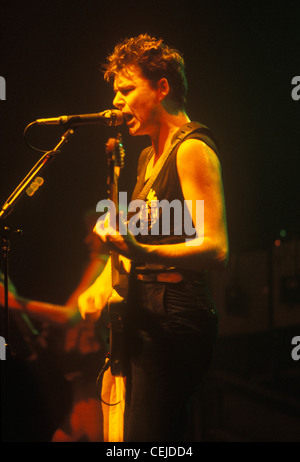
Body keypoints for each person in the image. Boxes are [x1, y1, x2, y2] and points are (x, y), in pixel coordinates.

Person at [78, 34, 229, 442]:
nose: (117, 101)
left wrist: (139, 250)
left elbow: (216, 247)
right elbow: (135, 239)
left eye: (127, 90)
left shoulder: (192, 148)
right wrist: (97, 284)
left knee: (150, 437)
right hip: (146, 311)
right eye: (116, 92)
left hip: (177, 315)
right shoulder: (147, 156)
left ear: (162, 87)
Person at [0, 211, 109, 442]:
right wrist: (11, 296)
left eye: (92, 233)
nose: (87, 240)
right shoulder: (92, 265)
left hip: (91, 384)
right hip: (78, 388)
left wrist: (10, 300)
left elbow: (69, 317)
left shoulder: (102, 264)